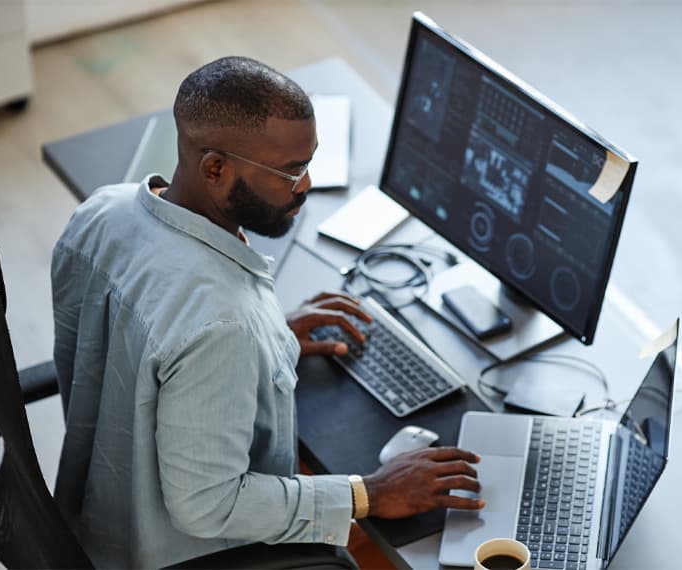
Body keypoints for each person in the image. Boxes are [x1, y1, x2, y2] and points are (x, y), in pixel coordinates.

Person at [51, 56, 484, 569]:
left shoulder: (102, 211)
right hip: (172, 553)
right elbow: (208, 505)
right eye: (290, 172)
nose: (305, 186)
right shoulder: (223, 324)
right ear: (215, 168)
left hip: (94, 512)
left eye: (309, 161)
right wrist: (368, 493)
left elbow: (142, 345)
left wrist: (271, 342)